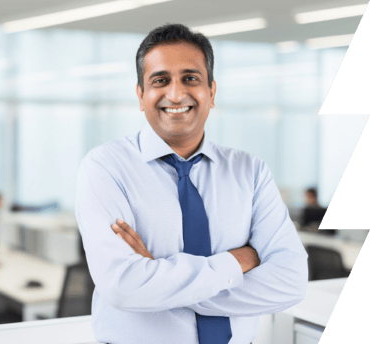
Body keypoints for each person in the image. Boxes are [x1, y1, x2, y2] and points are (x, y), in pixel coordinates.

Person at [75, 24, 308, 344]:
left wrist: (161, 279)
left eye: (190, 78)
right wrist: (237, 263)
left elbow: (290, 282)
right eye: (160, 80)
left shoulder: (250, 171)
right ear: (141, 95)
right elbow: (123, 286)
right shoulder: (105, 167)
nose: (175, 93)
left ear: (211, 92)